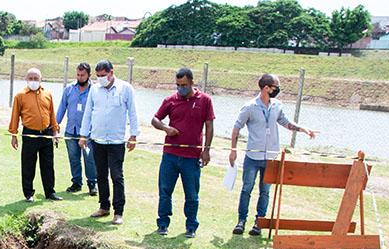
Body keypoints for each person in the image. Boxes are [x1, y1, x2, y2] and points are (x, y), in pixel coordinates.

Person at [230, 73, 318, 236]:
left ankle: (259, 223)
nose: (278, 90)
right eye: (276, 87)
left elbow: (285, 122)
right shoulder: (250, 107)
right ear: (266, 88)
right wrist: (233, 151)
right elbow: (236, 128)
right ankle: (241, 221)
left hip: (271, 157)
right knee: (246, 189)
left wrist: (303, 129)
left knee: (265, 191)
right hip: (253, 157)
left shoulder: (277, 105)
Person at [152, 67, 215, 239]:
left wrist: (206, 150)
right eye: (178, 85)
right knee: (165, 191)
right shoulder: (170, 100)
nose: (180, 88)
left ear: (192, 83)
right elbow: (155, 119)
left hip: (192, 158)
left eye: (184, 85)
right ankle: (163, 224)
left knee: (192, 194)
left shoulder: (205, 100)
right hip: (170, 155)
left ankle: (191, 226)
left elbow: (209, 125)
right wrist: (166, 128)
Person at [79, 60, 139, 225]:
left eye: (103, 75)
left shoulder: (125, 88)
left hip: (116, 140)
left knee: (117, 176)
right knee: (100, 174)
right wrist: (83, 135)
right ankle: (104, 206)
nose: (100, 79)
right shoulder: (94, 90)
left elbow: (133, 113)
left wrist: (133, 135)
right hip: (97, 139)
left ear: (111, 73)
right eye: (98, 76)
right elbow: (88, 113)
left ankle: (118, 212)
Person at [9, 68, 61, 202]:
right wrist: (14, 135)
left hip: (46, 134)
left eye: (35, 78)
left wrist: (55, 131)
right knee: (28, 165)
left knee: (48, 165)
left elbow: (52, 114)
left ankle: (50, 192)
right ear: (26, 79)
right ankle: (28, 193)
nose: (33, 81)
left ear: (41, 79)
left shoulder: (47, 94)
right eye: (30, 78)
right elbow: (15, 116)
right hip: (30, 134)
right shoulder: (20, 96)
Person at [57, 62, 97, 196]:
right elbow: (62, 108)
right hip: (71, 130)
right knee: (74, 158)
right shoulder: (69, 89)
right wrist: (56, 125)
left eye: (83, 75)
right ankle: (76, 182)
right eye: (78, 75)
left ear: (89, 75)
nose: (80, 78)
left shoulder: (95, 91)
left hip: (87, 133)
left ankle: (92, 183)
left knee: (89, 158)